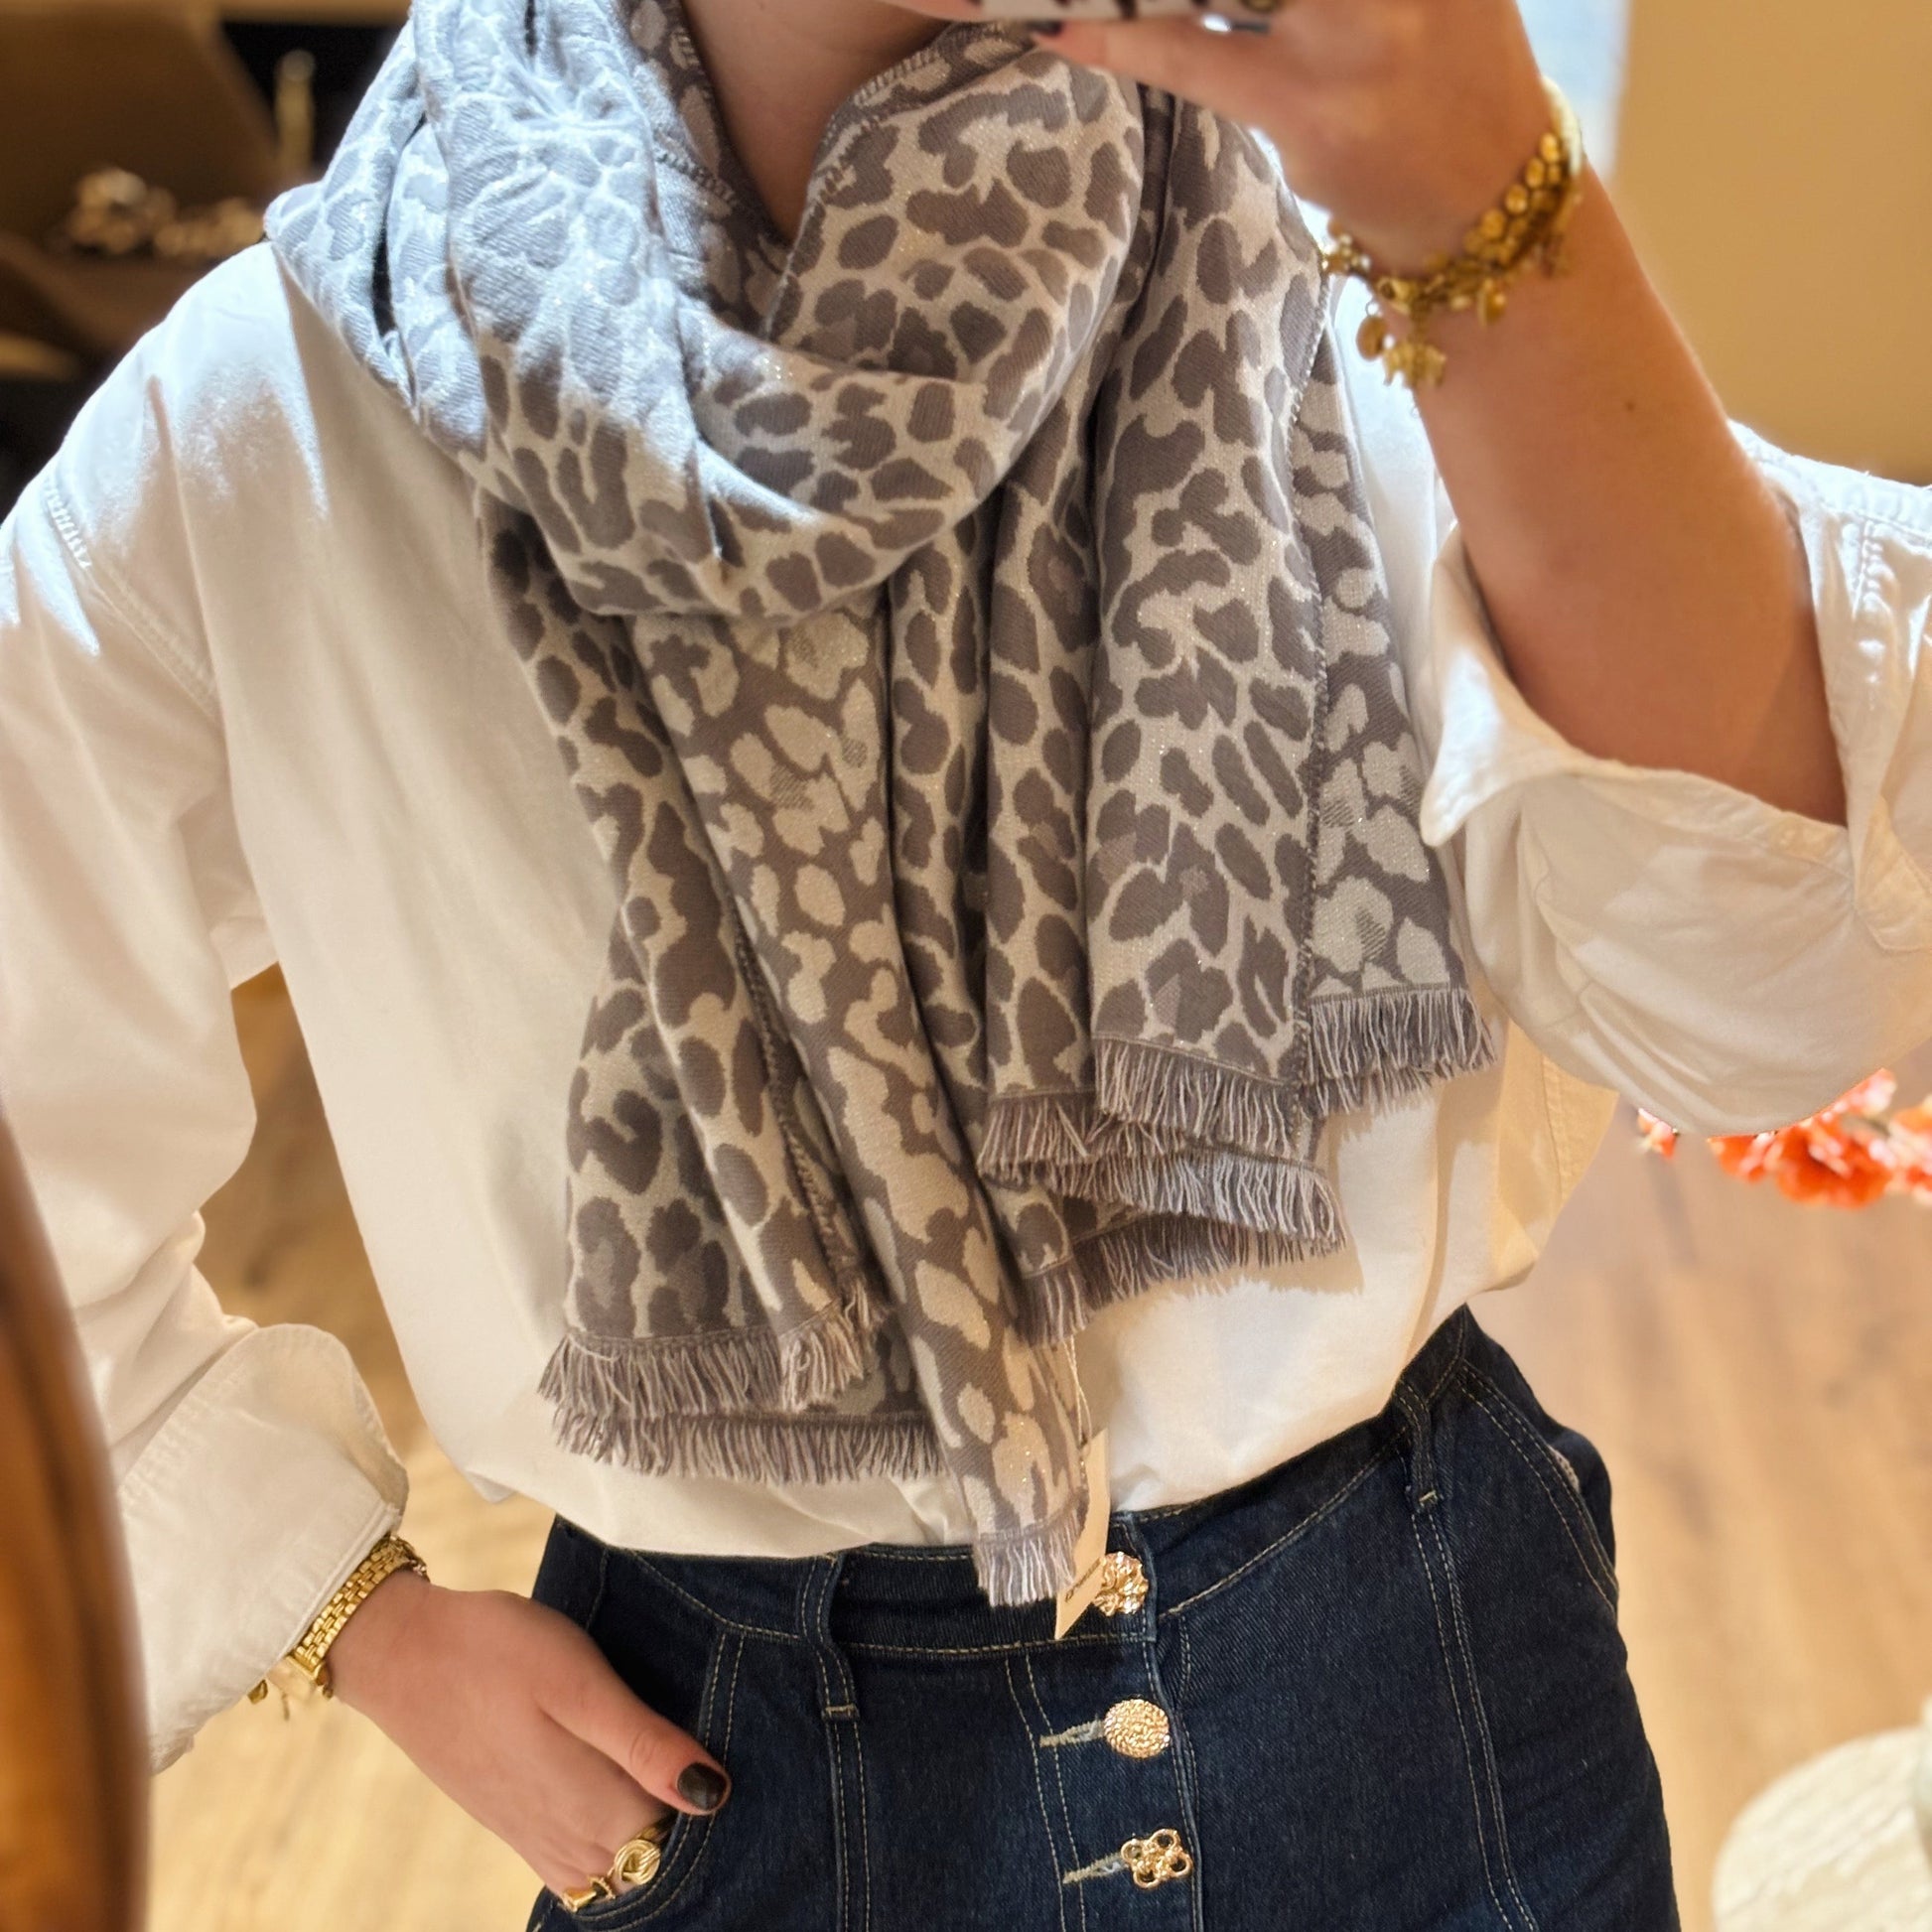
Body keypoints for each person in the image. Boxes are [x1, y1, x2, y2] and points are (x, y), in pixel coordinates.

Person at [2, 0, 1929, 1925]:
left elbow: (1755, 989)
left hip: (1414, 1696)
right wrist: (342, 1610)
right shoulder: (290, 404)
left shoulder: (1348, 260)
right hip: (738, 1763)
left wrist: (1494, 220)